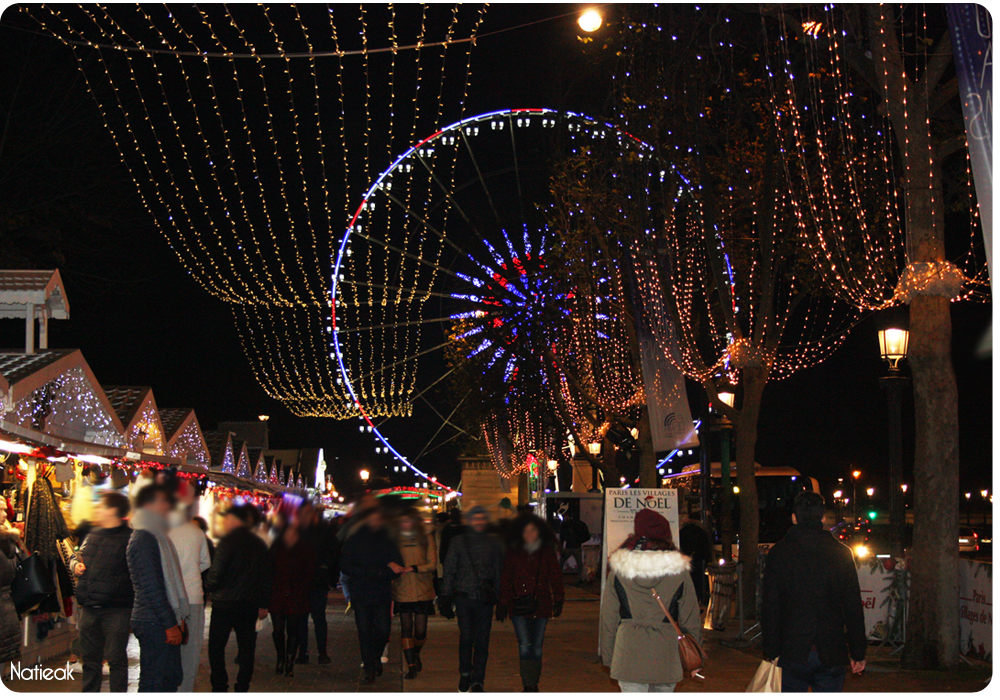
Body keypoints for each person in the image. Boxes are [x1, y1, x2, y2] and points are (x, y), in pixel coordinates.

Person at [762, 491, 866, 692]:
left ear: (794, 517)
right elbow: (853, 606)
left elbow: (771, 605)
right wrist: (858, 651)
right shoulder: (841, 553)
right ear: (823, 518)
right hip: (831, 649)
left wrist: (771, 649)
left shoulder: (779, 554)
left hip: (792, 649)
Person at [600, 509, 701, 692]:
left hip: (628, 656)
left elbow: (609, 618)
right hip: (666, 655)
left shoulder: (619, 571)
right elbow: (690, 618)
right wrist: (695, 657)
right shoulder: (679, 572)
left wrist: (608, 657)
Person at [204, 503, 273, 693]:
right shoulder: (259, 544)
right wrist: (264, 603)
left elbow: (216, 573)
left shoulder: (227, 542)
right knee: (246, 649)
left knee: (216, 647)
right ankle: (242, 685)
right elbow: (266, 577)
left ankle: (220, 685)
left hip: (224, 604)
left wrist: (208, 587)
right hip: (248, 604)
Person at [127, 484, 189, 693]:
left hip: (157, 618)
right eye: (164, 502)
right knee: (155, 682)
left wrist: (175, 618)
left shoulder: (156, 535)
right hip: (152, 620)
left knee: (168, 679)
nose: (168, 507)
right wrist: (170, 624)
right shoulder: (144, 538)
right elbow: (151, 587)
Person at [71, 492, 133, 693]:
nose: (97, 510)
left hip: (117, 609)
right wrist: (76, 566)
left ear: (113, 511)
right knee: (89, 660)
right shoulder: (94, 534)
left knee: (116, 659)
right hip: (89, 607)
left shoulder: (130, 538)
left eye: (101, 507)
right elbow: (77, 556)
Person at [439, 505, 503, 693]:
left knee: (482, 640)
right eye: (476, 519)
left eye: (482, 519)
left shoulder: (493, 543)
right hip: (464, 597)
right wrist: (445, 595)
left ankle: (478, 679)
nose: (479, 523)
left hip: (484, 598)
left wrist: (501, 599)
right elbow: (450, 570)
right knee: (467, 637)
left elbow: (498, 572)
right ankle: (465, 673)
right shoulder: (459, 542)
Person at [497, 513, 565, 692]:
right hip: (518, 604)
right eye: (526, 531)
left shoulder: (546, 551)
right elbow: (505, 577)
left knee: (536, 646)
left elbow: (555, 576)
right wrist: (503, 602)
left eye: (533, 531)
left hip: (541, 604)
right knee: (525, 645)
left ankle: (534, 681)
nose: (529, 534)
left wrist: (559, 598)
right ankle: (528, 683)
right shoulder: (513, 551)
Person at [339, 504, 404, 685]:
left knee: (383, 629)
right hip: (360, 591)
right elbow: (345, 565)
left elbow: (398, 564)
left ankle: (375, 656)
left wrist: (388, 572)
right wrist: (373, 572)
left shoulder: (388, 540)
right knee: (364, 630)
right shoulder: (354, 540)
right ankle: (369, 667)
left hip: (381, 592)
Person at [168, 505, 212, 692]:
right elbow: (205, 562)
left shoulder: (162, 532)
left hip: (169, 597)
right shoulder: (197, 532)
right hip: (193, 595)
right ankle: (185, 690)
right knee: (190, 650)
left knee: (168, 650)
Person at [391, 507, 438, 679]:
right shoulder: (394, 538)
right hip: (402, 588)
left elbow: (433, 563)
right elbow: (387, 557)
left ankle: (416, 652)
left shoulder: (426, 536)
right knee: (406, 628)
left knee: (420, 631)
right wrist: (392, 565)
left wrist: (416, 568)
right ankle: (410, 666)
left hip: (422, 588)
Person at [269, 511, 315, 677]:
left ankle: (289, 660)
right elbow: (269, 571)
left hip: (297, 596)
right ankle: (280, 657)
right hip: (277, 595)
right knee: (278, 630)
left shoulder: (304, 550)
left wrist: (297, 587)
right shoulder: (275, 548)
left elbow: (309, 574)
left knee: (293, 631)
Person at [296, 502, 336, 665]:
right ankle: (303, 651)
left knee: (318, 617)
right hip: (301, 580)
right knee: (301, 618)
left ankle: (321, 651)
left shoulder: (324, 532)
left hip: (317, 580)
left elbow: (332, 553)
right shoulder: (298, 531)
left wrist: (324, 568)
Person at [0, 504, 23, 665]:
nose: (3, 514)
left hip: (5, 604)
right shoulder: (9, 539)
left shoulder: (9, 540)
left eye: (4, 510)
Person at [679, 516, 713, 606]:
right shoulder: (701, 532)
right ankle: (699, 598)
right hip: (698, 558)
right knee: (699, 580)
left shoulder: (682, 531)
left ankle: (689, 600)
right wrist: (708, 559)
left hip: (686, 558)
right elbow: (706, 547)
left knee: (688, 580)